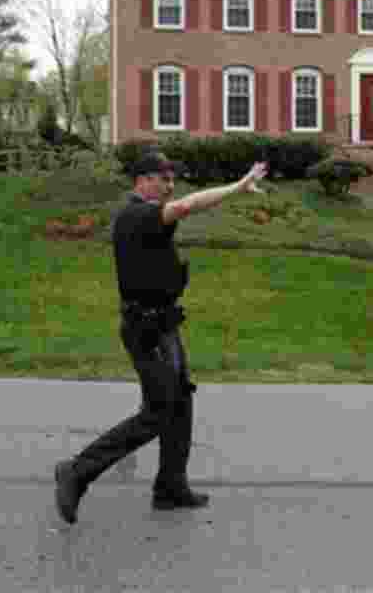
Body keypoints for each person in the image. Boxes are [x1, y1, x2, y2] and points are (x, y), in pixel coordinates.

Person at [54, 152, 268, 524]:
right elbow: (188, 206)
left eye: (172, 179)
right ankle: (77, 472)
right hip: (146, 330)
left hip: (163, 326)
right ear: (140, 180)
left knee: (180, 402)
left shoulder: (146, 216)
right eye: (161, 178)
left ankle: (170, 486)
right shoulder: (136, 215)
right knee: (158, 412)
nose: (169, 185)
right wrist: (237, 186)